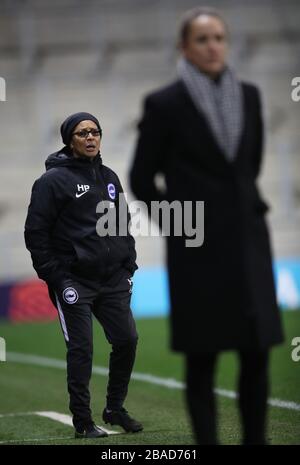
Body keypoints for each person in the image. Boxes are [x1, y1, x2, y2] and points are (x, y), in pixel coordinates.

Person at [130, 7, 283, 445]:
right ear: (184, 47)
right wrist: (181, 225)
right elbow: (142, 178)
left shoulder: (250, 96)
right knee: (203, 359)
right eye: (202, 39)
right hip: (196, 251)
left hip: (250, 245)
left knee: (256, 356)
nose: (213, 46)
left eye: (219, 37)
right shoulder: (164, 104)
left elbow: (247, 168)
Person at [25, 112, 143, 439]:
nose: (90, 138)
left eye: (94, 132)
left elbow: (122, 224)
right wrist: (57, 277)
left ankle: (114, 408)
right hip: (73, 281)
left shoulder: (109, 177)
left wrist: (127, 265)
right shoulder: (51, 182)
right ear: (69, 140)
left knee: (127, 340)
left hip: (112, 279)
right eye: (81, 133)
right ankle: (83, 422)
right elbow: (36, 233)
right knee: (82, 350)